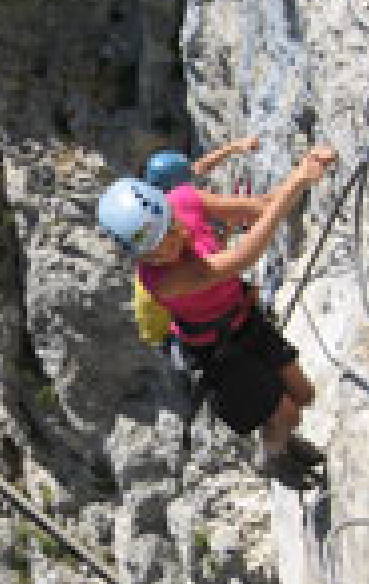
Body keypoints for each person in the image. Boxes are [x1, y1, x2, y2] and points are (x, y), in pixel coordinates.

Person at [97, 147, 338, 476]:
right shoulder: (163, 281)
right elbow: (242, 257)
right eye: (149, 255)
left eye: (165, 238)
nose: (162, 255)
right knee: (287, 414)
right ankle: (272, 456)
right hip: (216, 351)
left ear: (169, 213)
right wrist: (297, 183)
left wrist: (305, 168)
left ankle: (278, 435)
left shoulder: (185, 198)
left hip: (243, 318)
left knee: (304, 396)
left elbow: (261, 208)